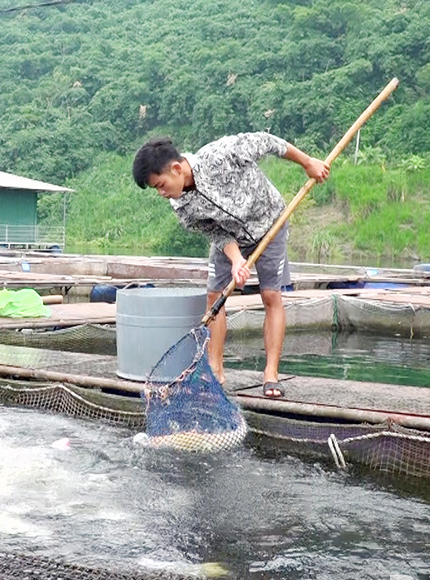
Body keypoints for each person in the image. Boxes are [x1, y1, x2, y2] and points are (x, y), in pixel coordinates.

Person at [132, 133, 329, 399]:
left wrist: (307, 163)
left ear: (176, 169)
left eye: (160, 184)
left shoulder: (221, 155)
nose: (161, 193)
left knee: (271, 295)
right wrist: (237, 260)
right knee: (215, 296)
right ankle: (215, 371)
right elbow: (216, 233)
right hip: (231, 237)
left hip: (270, 222)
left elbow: (269, 142)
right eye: (156, 188)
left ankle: (271, 374)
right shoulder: (180, 205)